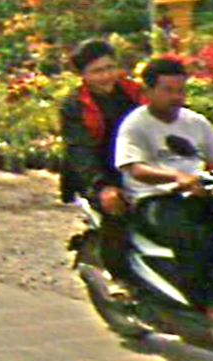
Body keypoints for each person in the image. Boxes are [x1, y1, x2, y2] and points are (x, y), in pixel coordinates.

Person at [115, 57, 213, 341]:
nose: (177, 97)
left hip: (200, 194)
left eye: (181, 90)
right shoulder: (135, 124)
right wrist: (175, 176)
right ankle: (210, 308)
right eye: (168, 90)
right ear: (148, 92)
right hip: (155, 200)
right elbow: (135, 168)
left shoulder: (195, 122)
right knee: (196, 238)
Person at [60, 38, 142, 282]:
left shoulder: (136, 93)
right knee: (117, 215)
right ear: (83, 75)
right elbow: (80, 151)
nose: (106, 76)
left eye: (110, 68)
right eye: (97, 71)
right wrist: (103, 187)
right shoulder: (75, 106)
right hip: (100, 171)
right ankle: (119, 279)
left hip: (139, 165)